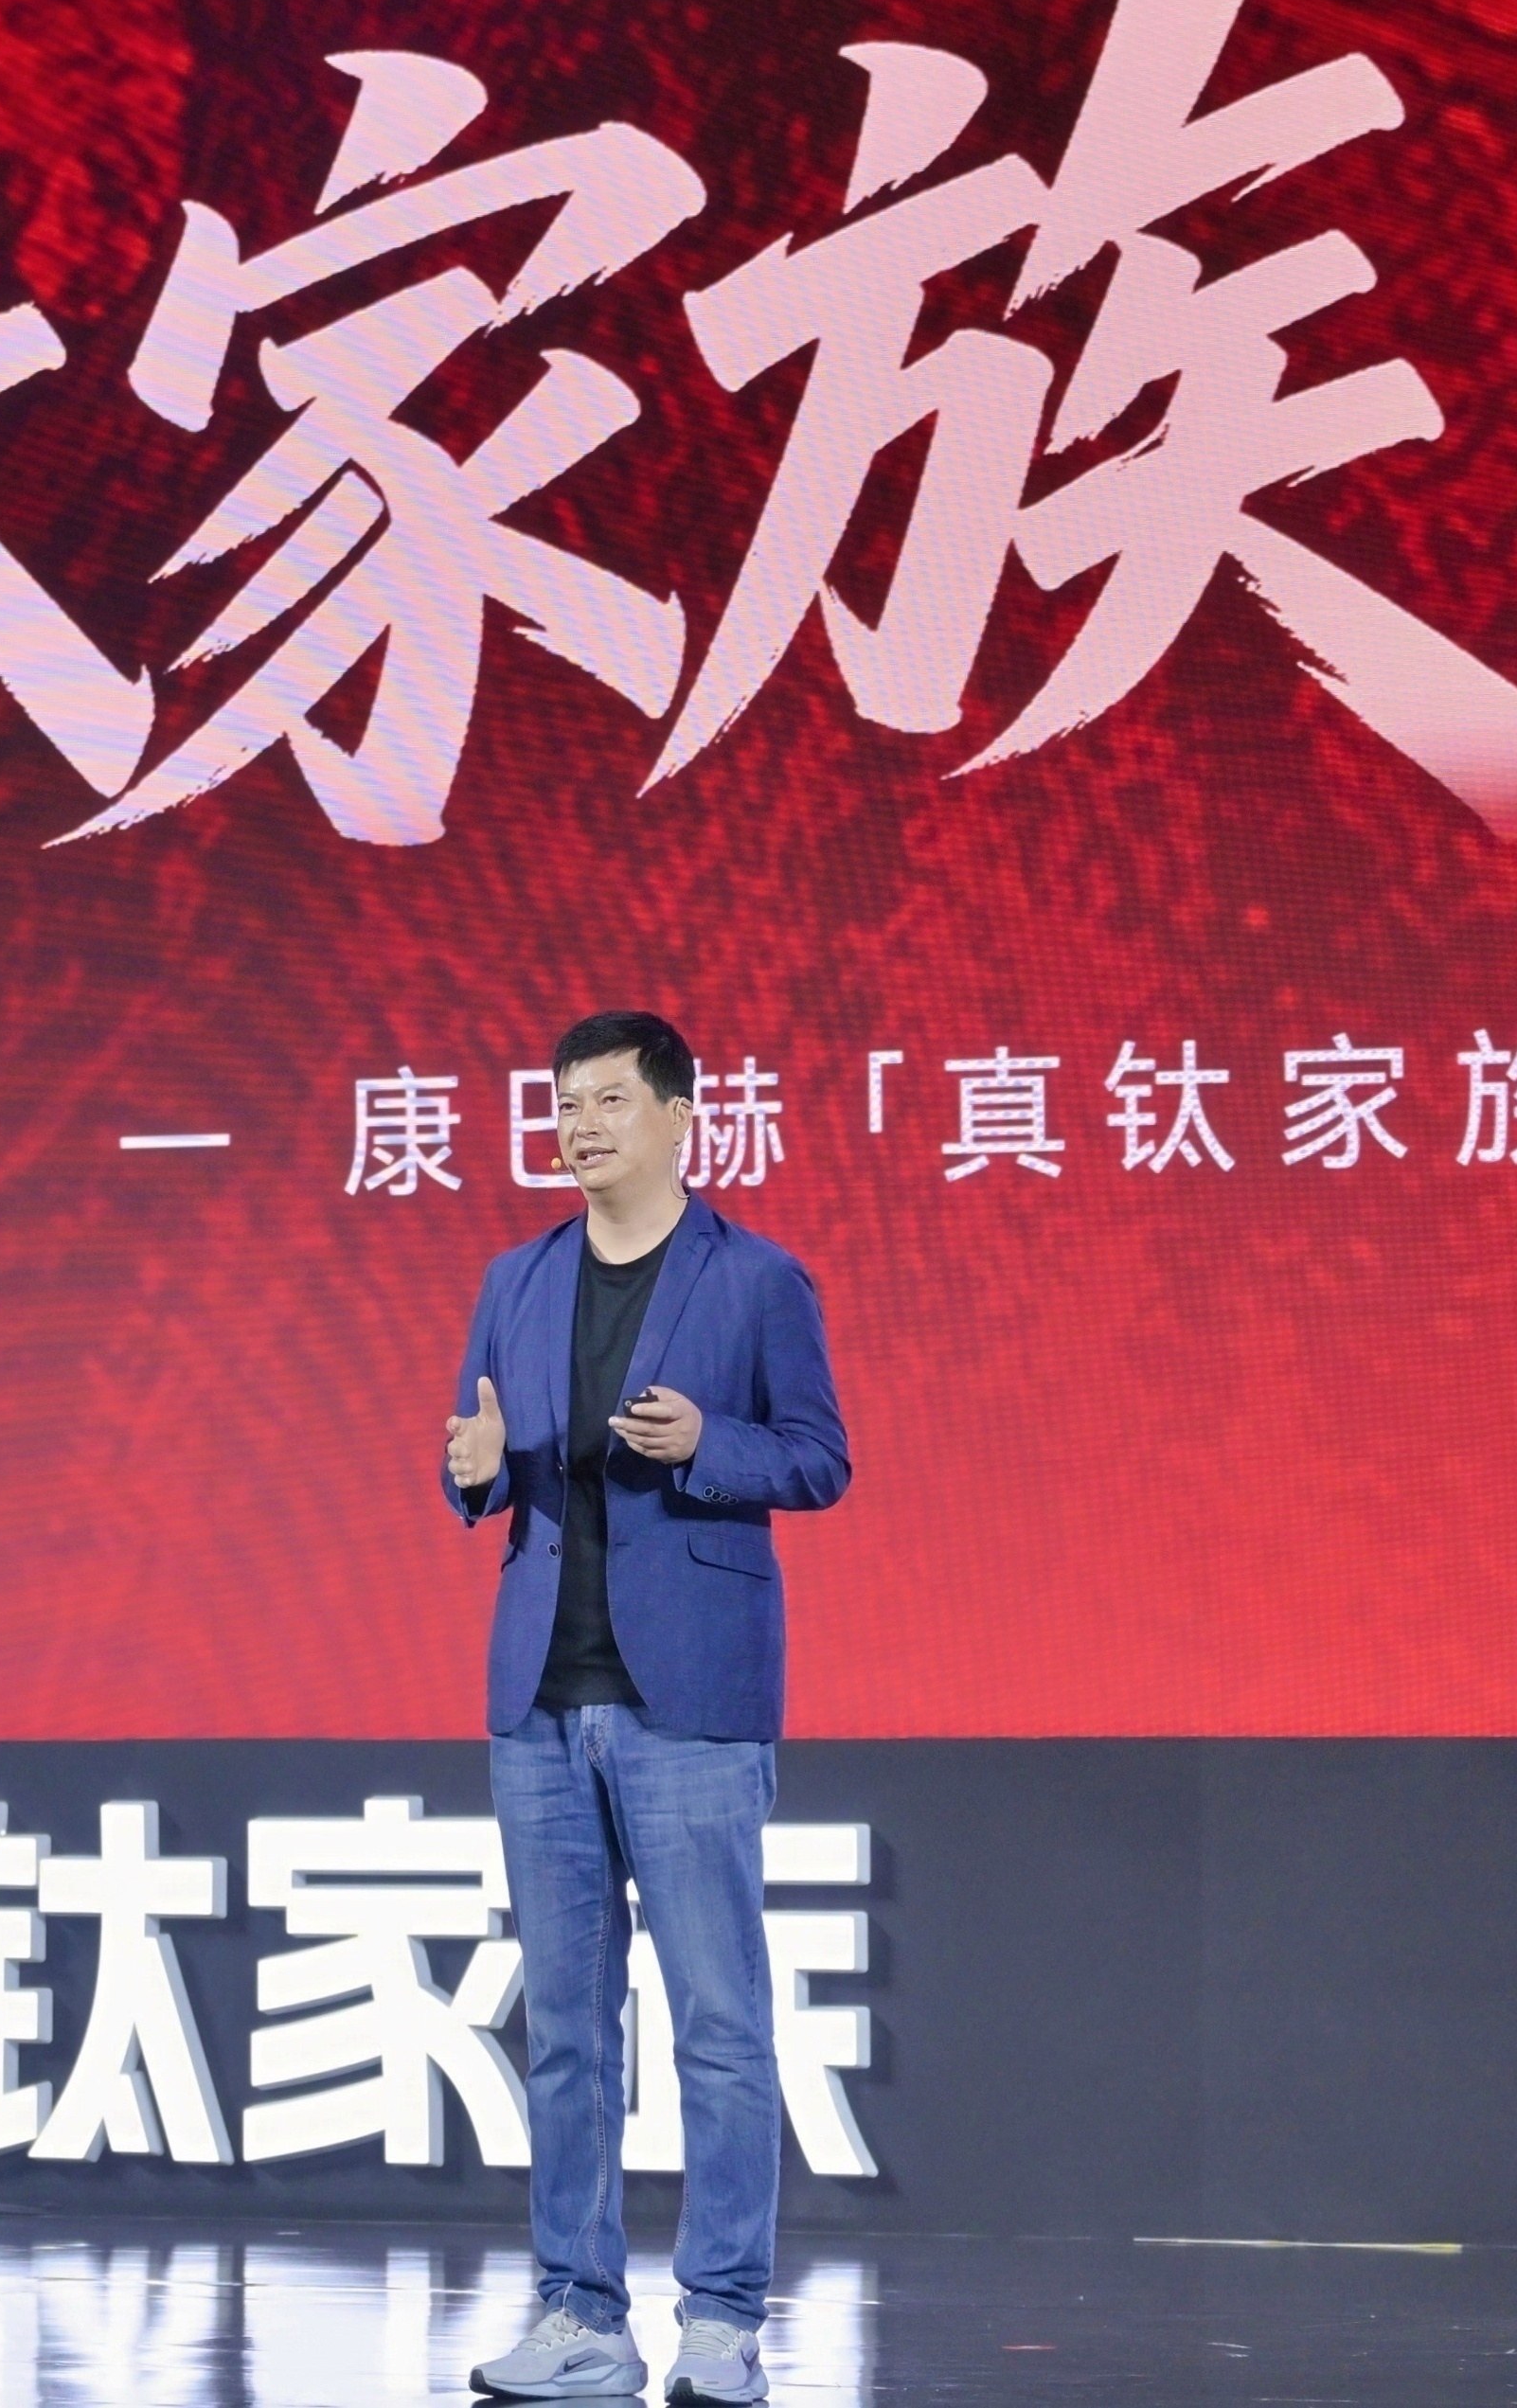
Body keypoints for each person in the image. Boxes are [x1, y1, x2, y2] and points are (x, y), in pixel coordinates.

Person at [441, 1012, 850, 2405]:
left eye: (611, 1100)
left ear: (681, 1116)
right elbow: (477, 1453)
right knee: (567, 2028)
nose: (582, 1126)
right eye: (566, 1103)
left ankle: (723, 2320)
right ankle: (579, 2313)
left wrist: (707, 1445)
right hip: (542, 1698)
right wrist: (474, 1469)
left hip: (689, 1702)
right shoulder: (515, 1278)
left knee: (718, 2025)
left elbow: (818, 1459)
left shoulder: (757, 1279)